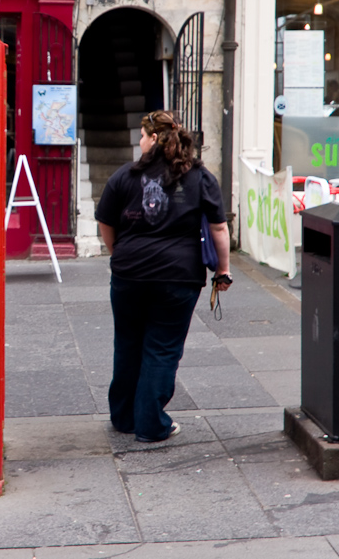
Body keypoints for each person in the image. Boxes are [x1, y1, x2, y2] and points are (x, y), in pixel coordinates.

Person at [95, 110, 232, 443]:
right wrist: (223, 270)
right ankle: (151, 424)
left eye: (142, 135)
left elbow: (106, 222)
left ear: (154, 138)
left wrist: (119, 255)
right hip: (178, 277)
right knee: (162, 348)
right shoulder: (199, 177)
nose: (139, 142)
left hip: (129, 274)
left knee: (128, 344)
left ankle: (124, 417)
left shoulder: (124, 176)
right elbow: (218, 227)